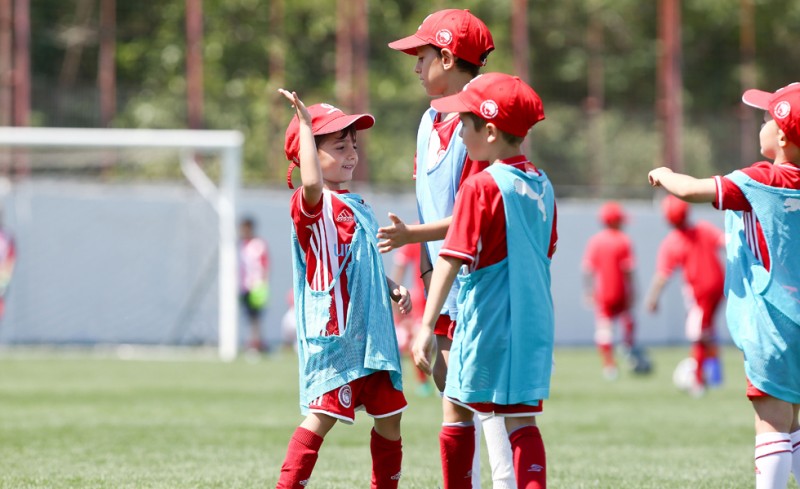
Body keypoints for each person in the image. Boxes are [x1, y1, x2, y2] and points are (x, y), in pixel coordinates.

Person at [384, 10, 515, 489]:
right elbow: (426, 204)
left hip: (481, 282)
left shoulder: (480, 124)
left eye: (421, 57)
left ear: (446, 56)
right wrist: (423, 284)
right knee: (453, 394)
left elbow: (474, 217)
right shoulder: (427, 121)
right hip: (443, 283)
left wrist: (413, 237)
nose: (415, 68)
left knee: (487, 399)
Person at [648, 82, 800, 489]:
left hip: (772, 324)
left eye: (768, 118)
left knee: (771, 418)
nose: (762, 123)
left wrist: (665, 175)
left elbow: (694, 190)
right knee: (795, 420)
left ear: (782, 136)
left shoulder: (758, 179)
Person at [412, 72, 557, 489]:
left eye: (464, 122)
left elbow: (450, 260)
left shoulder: (479, 187)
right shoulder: (542, 185)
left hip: (487, 320)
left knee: (456, 407)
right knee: (521, 420)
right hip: (534, 323)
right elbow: (546, 250)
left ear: (489, 130)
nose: (457, 131)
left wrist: (425, 326)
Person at [274, 89, 412, 489]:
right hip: (337, 338)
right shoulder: (308, 203)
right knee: (323, 416)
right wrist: (303, 125)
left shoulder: (357, 203)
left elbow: (359, 261)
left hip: (374, 337)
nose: (352, 152)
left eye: (354, 144)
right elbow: (313, 186)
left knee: (391, 418)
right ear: (309, 155)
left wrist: (389, 286)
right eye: (339, 145)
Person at [645, 195, 725, 396]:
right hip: (719, 286)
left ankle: (698, 382)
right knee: (706, 331)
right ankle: (715, 376)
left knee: (697, 334)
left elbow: (662, 276)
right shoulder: (703, 229)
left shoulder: (673, 242)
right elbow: (726, 242)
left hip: (700, 292)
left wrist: (652, 299)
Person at [581, 201, 639, 380]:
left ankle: (609, 366)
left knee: (604, 329)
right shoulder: (623, 240)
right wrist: (633, 290)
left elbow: (587, 270)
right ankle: (627, 348)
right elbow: (628, 269)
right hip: (620, 291)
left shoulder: (595, 241)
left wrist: (588, 291)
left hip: (603, 293)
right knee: (628, 321)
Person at [391, 241, 434, 397]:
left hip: (444, 293)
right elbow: (400, 264)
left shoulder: (439, 228)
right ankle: (423, 382)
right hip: (423, 299)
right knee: (417, 339)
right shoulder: (417, 233)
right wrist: (395, 292)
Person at [238, 217, 270, 353]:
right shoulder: (240, 245)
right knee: (248, 317)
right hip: (244, 286)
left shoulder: (258, 244)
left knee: (256, 317)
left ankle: (256, 344)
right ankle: (255, 342)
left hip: (256, 286)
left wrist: (261, 284)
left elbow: (264, 265)